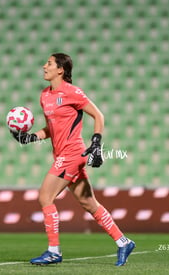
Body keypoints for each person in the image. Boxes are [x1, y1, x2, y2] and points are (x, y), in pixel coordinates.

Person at [11, 53, 135, 266]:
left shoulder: (73, 92)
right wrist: (32, 137)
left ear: (60, 69)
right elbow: (52, 127)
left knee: (45, 197)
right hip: (62, 155)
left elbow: (98, 116)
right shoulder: (45, 95)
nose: (44, 66)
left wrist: (96, 143)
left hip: (72, 153)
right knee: (89, 203)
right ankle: (123, 242)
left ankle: (53, 251)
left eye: (49, 63)